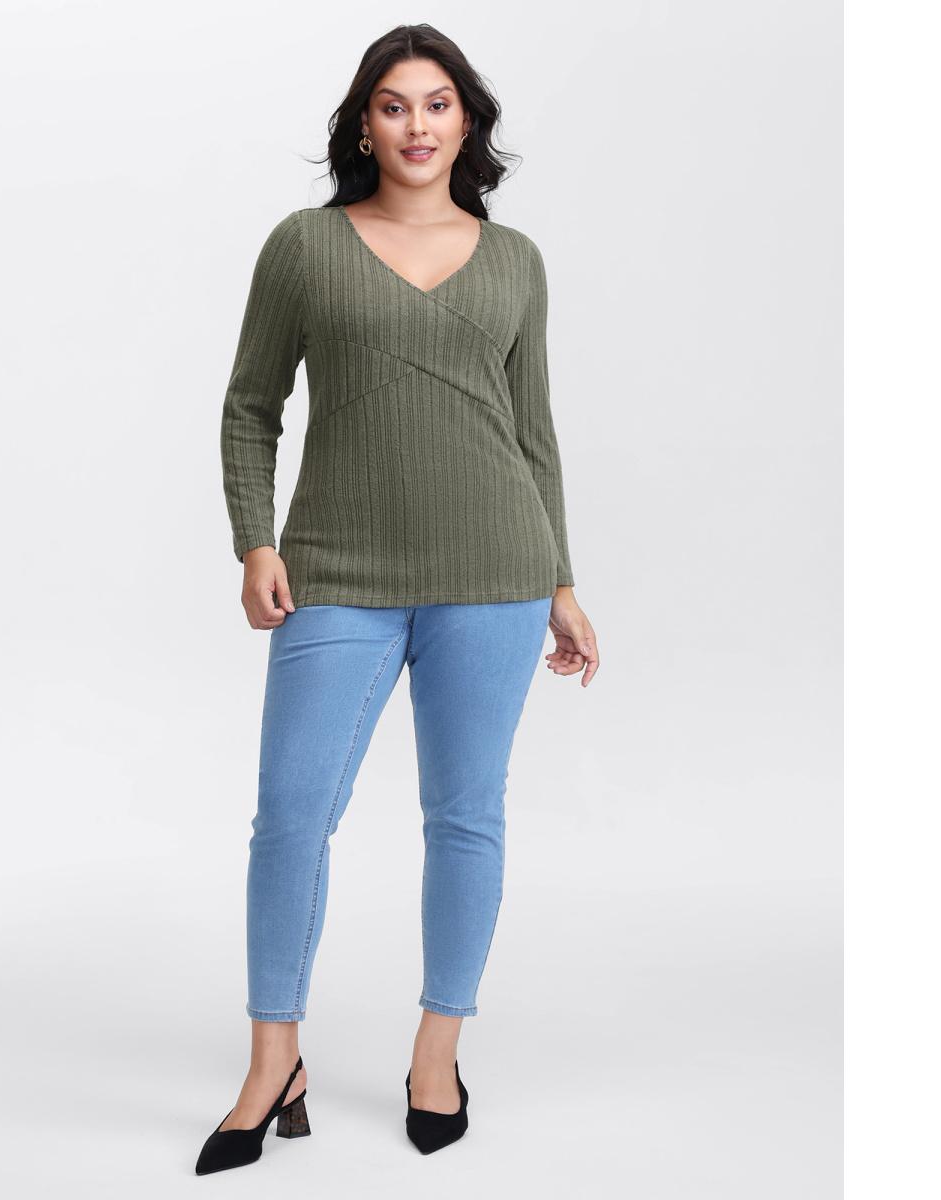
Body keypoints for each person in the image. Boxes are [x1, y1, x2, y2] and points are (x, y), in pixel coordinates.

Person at [196, 24, 599, 1175]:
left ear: (466, 122)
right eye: (392, 104)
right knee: (290, 815)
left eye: (436, 103)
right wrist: (254, 542)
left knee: (465, 817)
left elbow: (533, 433)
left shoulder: (515, 260)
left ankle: (437, 1054)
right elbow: (250, 405)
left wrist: (563, 582)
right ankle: (274, 1061)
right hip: (340, 572)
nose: (416, 124)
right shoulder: (306, 247)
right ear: (363, 125)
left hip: (496, 575)